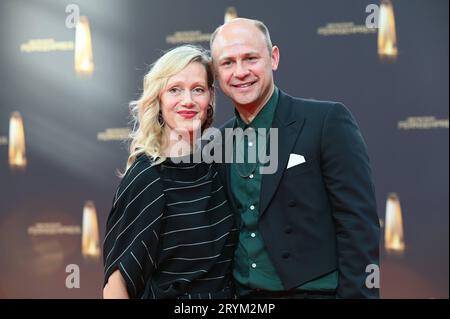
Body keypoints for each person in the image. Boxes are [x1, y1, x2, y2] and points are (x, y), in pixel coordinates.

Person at [210, 18, 380, 299]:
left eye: (250, 58)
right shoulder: (218, 142)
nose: (240, 72)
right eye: (228, 63)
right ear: (217, 73)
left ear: (273, 58)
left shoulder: (326, 121)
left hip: (316, 292)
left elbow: (357, 224)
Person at [102, 45, 238, 299]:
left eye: (197, 89)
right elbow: (116, 285)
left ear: (210, 98)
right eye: (175, 89)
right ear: (159, 98)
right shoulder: (148, 178)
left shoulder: (217, 167)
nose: (188, 100)